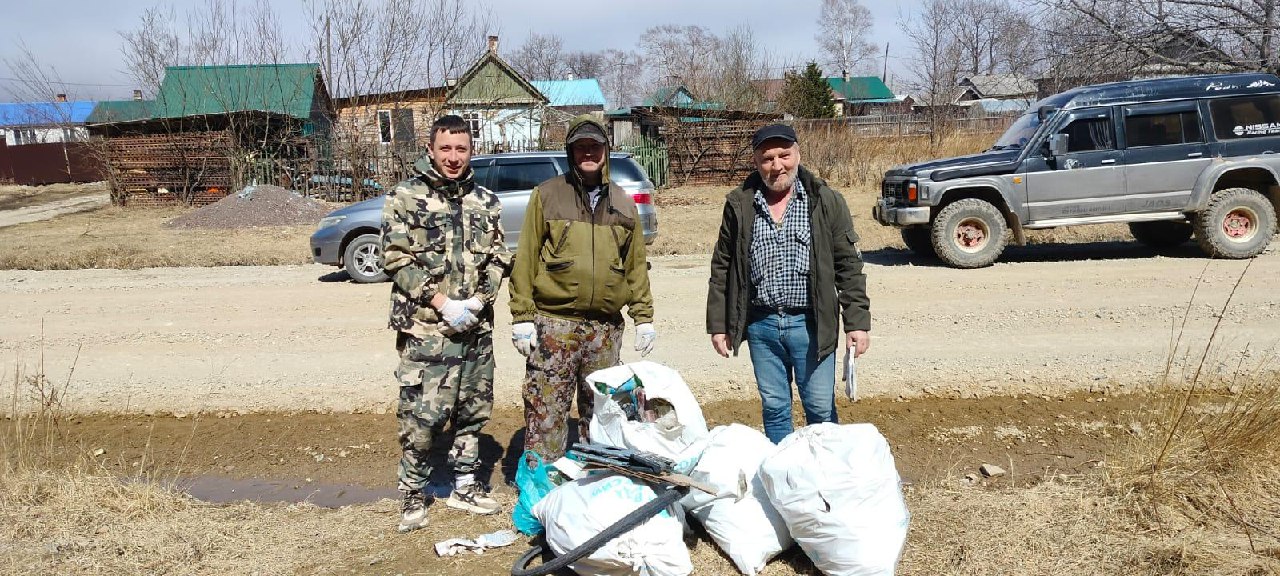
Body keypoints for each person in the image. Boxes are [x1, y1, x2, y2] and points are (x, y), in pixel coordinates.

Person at [381, 114, 512, 533]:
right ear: (431, 149)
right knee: (422, 416)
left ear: (470, 150)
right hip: (427, 330)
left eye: (461, 149)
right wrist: (440, 301)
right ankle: (413, 493)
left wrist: (478, 300)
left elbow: (498, 257)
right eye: (446, 149)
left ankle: (465, 485)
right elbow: (395, 259)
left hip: (475, 327)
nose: (453, 158)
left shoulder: (486, 200)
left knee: (473, 411)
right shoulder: (405, 196)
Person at [705, 123, 871, 444]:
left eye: (784, 155)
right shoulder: (740, 205)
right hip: (761, 326)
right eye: (767, 158)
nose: (777, 165)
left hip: (811, 324)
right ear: (756, 162)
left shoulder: (825, 200)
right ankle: (786, 479)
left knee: (820, 407)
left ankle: (824, 476)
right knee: (775, 407)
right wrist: (718, 323)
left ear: (798, 154)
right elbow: (722, 266)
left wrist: (857, 323)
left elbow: (848, 266)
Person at [509, 114, 656, 466]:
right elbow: (526, 257)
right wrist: (522, 316)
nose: (588, 153)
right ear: (570, 151)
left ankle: (596, 486)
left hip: (604, 331)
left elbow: (635, 265)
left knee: (604, 412)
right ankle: (541, 493)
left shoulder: (622, 202)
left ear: (606, 150)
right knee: (546, 411)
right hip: (554, 326)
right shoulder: (547, 196)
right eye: (581, 147)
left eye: (595, 146)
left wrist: (644, 318)